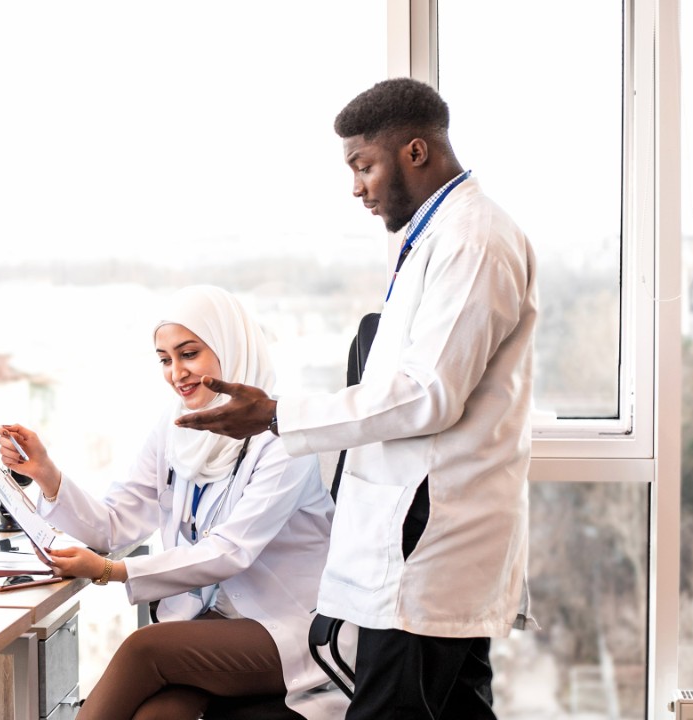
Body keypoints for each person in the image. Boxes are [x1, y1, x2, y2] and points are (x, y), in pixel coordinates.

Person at [175, 78, 539, 719]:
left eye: (364, 165)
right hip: (418, 539)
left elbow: (427, 395)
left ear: (416, 152)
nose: (357, 187)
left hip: (431, 540)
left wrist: (279, 414)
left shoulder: (471, 241)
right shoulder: (435, 237)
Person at [0, 284, 340, 720]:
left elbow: (230, 552)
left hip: (288, 627)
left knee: (144, 649)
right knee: (158, 716)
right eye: (165, 359)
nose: (177, 372)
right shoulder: (175, 427)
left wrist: (109, 571)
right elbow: (115, 524)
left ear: (230, 346)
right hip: (212, 620)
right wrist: (47, 475)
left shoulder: (283, 436)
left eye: (189, 353)